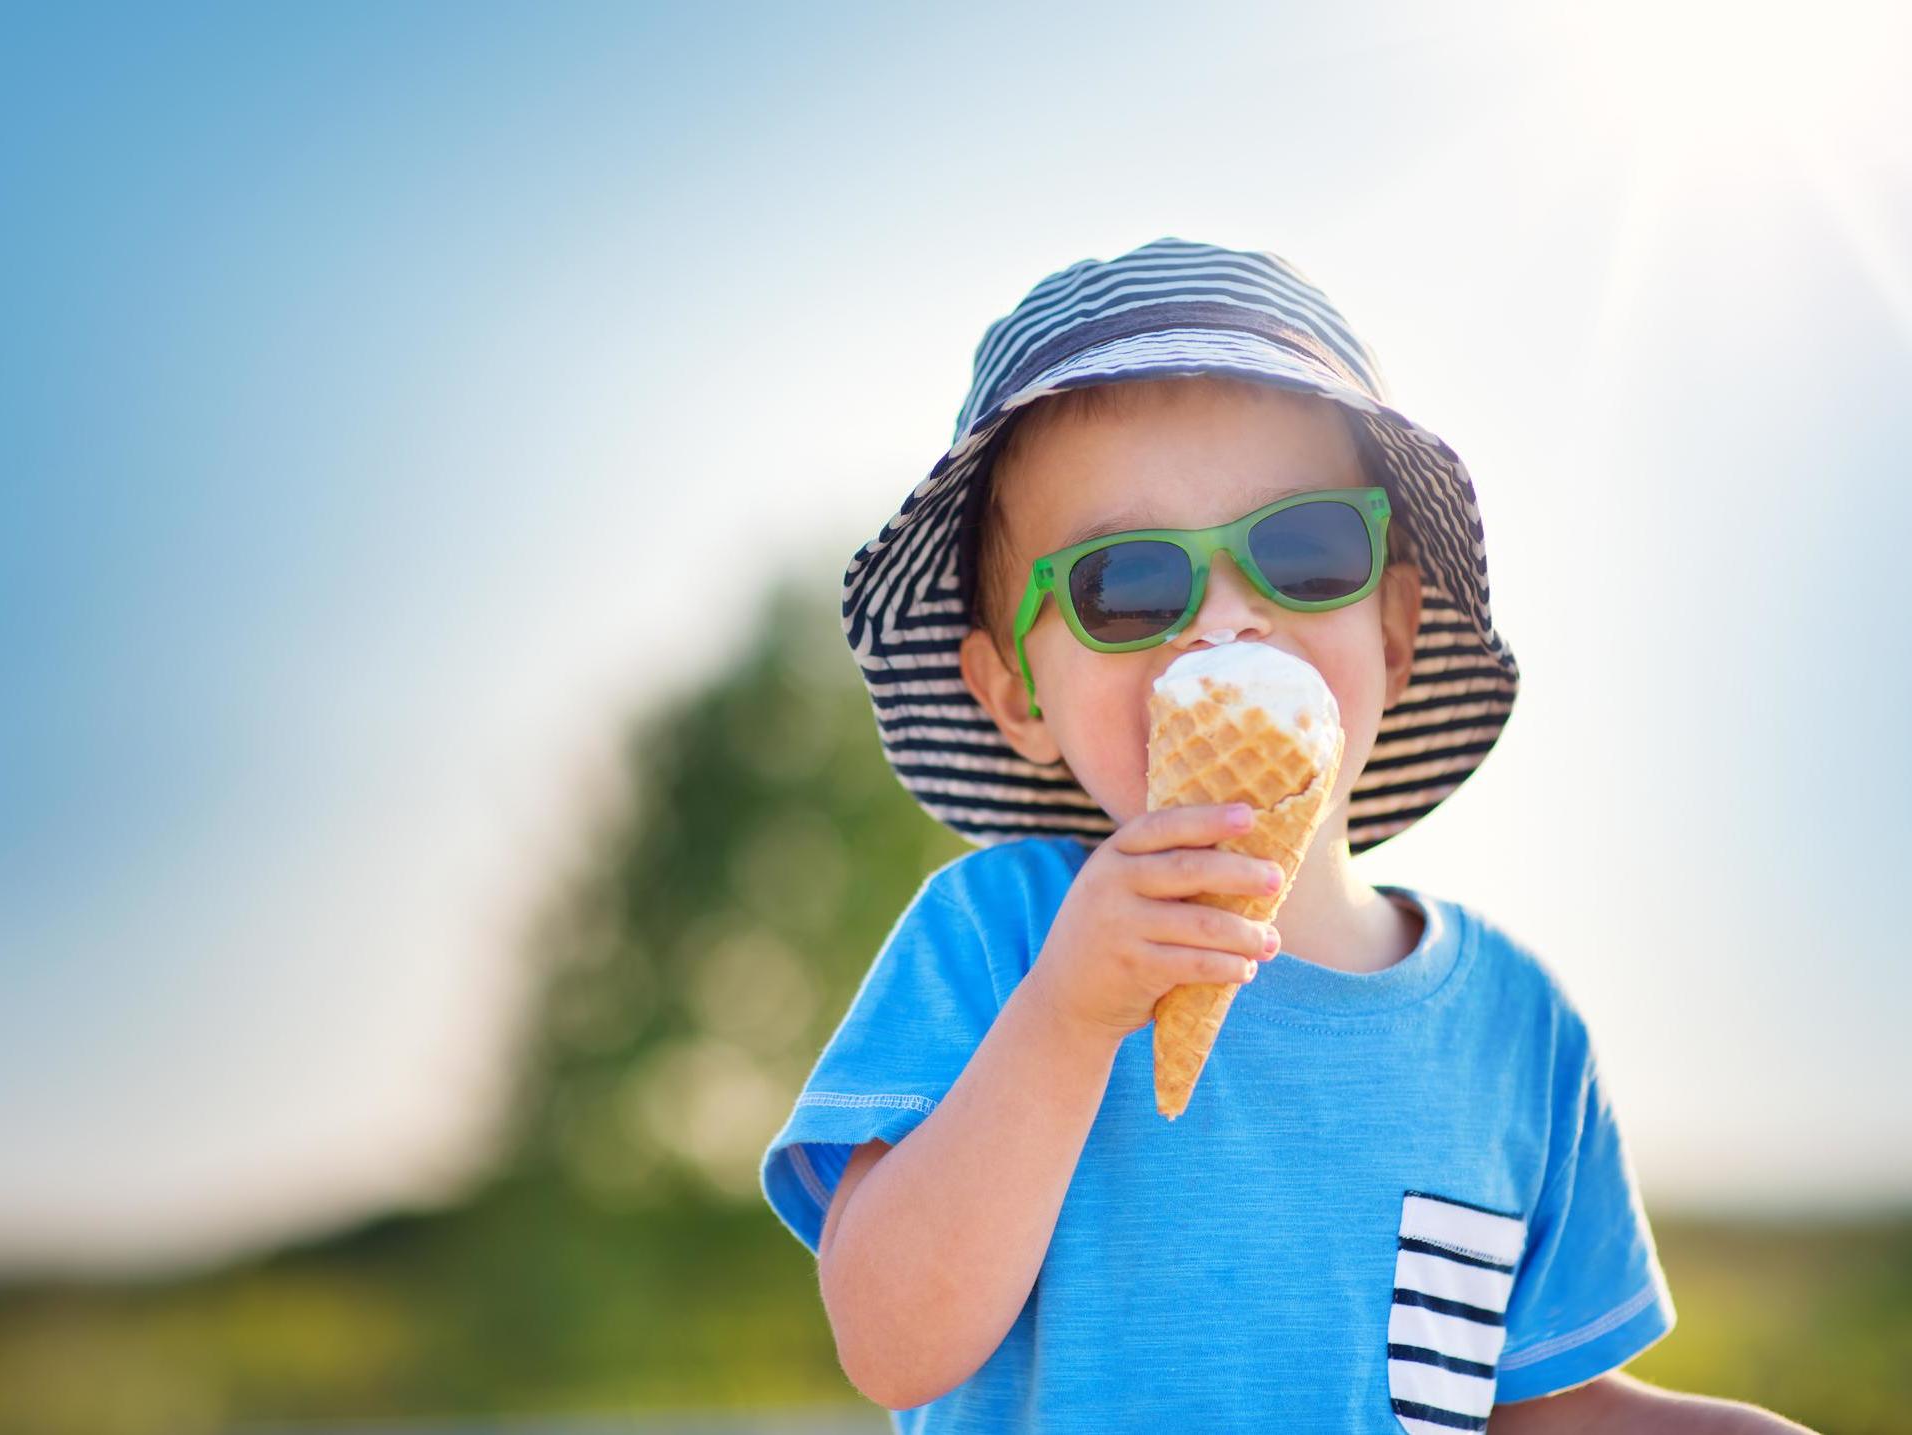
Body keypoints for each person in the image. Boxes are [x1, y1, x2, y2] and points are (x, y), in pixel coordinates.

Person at [758, 237, 1813, 1432]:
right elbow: (892, 1343)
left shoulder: (1514, 1029)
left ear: (1397, 629)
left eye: (1304, 552)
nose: (1224, 620)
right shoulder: (994, 941)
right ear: (1016, 696)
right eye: (1125, 583)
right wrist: (1066, 1018)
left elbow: (1529, 1410)